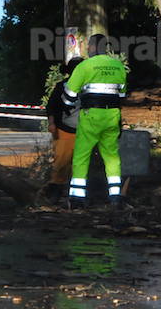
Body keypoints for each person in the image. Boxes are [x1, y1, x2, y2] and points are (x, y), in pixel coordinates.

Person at [62, 34, 127, 208]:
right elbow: (121, 94)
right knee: (112, 157)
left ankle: (77, 199)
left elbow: (69, 95)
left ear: (92, 47)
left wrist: (68, 103)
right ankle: (115, 197)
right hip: (112, 116)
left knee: (82, 156)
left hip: (91, 116)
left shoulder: (85, 66)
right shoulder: (118, 66)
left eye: (88, 46)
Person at [44, 57, 83, 203]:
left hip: (85, 131)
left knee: (79, 164)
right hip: (65, 130)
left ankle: (74, 195)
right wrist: (52, 123)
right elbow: (51, 106)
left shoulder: (90, 87)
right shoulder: (62, 86)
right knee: (61, 163)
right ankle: (56, 192)